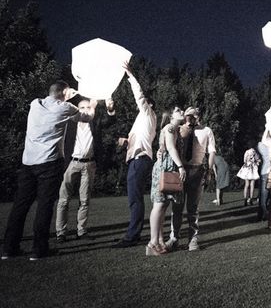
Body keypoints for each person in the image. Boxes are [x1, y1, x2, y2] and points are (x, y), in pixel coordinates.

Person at [2, 81, 82, 261]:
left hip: (28, 162)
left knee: (20, 206)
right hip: (49, 163)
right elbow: (84, 117)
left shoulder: (35, 104)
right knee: (45, 206)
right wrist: (90, 102)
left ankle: (9, 248)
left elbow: (53, 101)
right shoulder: (65, 107)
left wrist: (65, 94)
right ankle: (39, 250)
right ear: (64, 92)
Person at [56, 97, 116, 242]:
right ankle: (61, 233)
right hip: (71, 163)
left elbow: (109, 121)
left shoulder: (94, 123)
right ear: (77, 110)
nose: (85, 110)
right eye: (82, 107)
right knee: (64, 200)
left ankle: (81, 231)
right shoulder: (70, 123)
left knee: (84, 200)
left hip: (89, 165)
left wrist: (110, 109)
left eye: (88, 107)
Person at [114, 62, 157, 248]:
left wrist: (130, 75)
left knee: (135, 198)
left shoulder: (148, 113)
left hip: (140, 160)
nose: (141, 103)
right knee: (134, 198)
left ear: (150, 104)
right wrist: (125, 141)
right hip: (135, 159)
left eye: (145, 101)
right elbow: (137, 139)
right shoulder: (141, 121)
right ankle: (133, 233)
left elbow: (139, 95)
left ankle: (132, 236)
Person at [167, 107, 216, 252]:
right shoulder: (179, 130)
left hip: (197, 170)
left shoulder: (206, 130)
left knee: (193, 208)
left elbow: (212, 151)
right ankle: (174, 238)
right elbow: (170, 145)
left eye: (192, 115)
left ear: (198, 116)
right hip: (181, 171)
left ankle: (193, 239)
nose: (189, 118)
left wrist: (209, 170)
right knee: (177, 207)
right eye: (187, 116)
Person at [147, 108, 186, 256]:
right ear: (171, 116)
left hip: (169, 167)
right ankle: (152, 242)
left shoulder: (175, 129)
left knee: (163, 206)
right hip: (166, 168)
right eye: (177, 110)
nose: (181, 111)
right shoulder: (169, 128)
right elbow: (170, 147)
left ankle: (159, 240)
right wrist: (181, 167)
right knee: (159, 205)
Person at [256, 131, 271, 221]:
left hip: (265, 171)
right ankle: (266, 213)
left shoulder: (260, 145)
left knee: (263, 194)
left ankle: (262, 214)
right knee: (269, 195)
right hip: (270, 171)